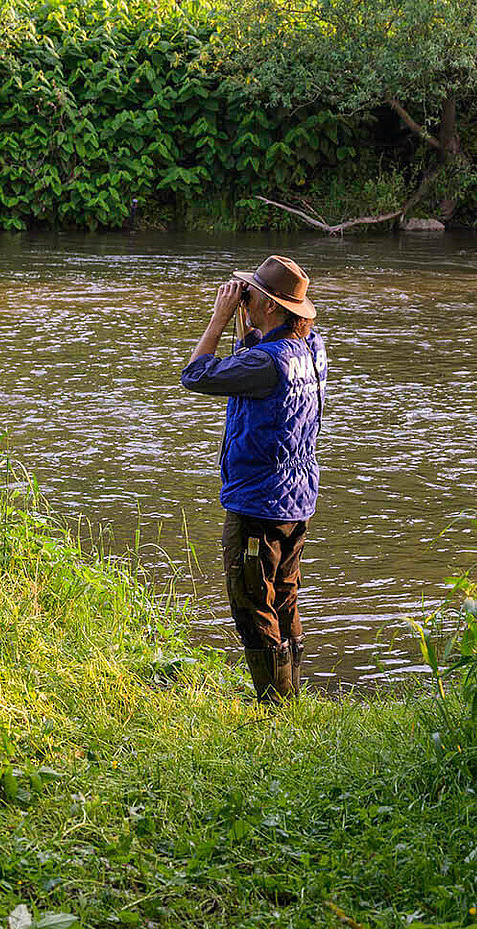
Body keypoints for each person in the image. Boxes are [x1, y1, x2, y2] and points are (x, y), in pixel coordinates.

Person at [179, 255, 326, 703]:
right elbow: (262, 367)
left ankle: (274, 711)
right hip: (297, 499)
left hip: (258, 504)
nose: (244, 298)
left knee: (252, 606)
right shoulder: (312, 348)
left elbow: (195, 375)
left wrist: (219, 319)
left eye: (252, 295)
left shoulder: (266, 363)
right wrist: (250, 335)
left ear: (272, 307)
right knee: (284, 597)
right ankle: (290, 699)